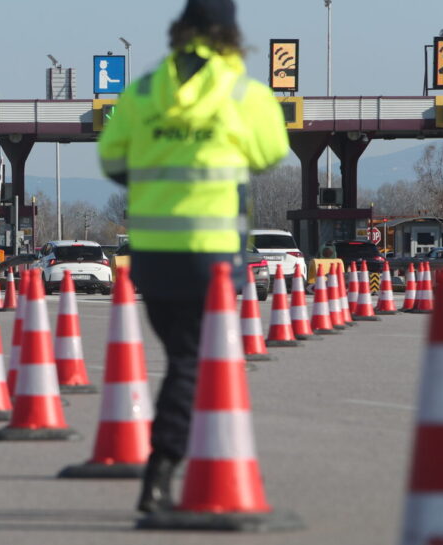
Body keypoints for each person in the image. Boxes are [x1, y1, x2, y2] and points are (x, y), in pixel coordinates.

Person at [97, 0, 289, 513]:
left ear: (178, 31)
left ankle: (194, 461)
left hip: (153, 257)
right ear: (231, 34)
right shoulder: (244, 93)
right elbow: (270, 152)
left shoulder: (141, 92)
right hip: (212, 257)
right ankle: (163, 468)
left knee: (185, 357)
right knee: (195, 362)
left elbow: (112, 159)